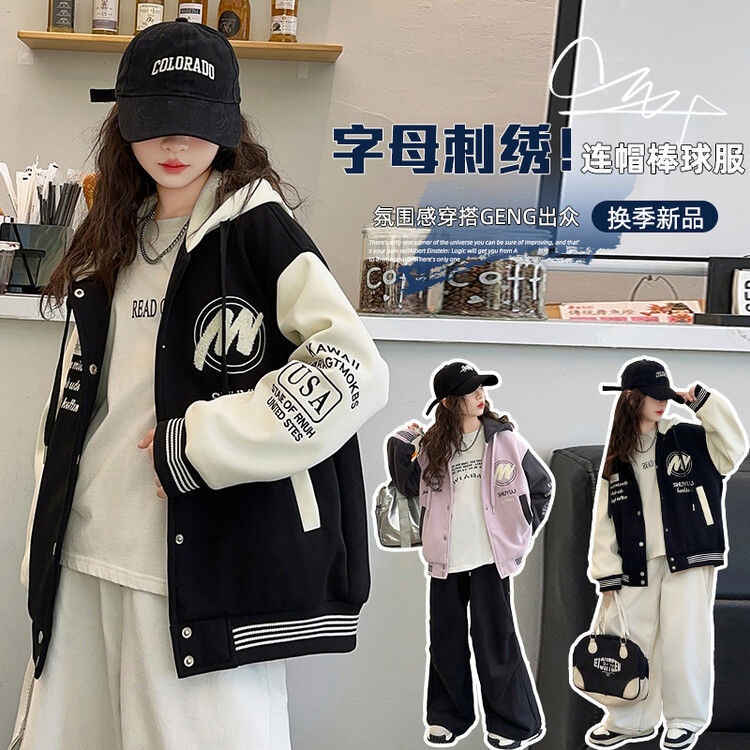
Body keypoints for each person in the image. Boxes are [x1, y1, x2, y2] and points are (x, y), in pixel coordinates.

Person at [9, 19, 389, 750]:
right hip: (84, 548)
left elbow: (355, 368)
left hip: (197, 571)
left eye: (195, 122)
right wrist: (43, 540)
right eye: (156, 121)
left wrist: (202, 443)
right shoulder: (112, 233)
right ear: (124, 123)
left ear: (229, 124)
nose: (175, 144)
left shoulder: (258, 229)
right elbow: (75, 405)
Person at [387, 360, 554, 749]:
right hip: (445, 559)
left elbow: (541, 485)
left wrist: (519, 533)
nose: (481, 396)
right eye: (470, 391)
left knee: (494, 643)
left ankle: (511, 725)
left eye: (482, 389)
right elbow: (407, 484)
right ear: (449, 402)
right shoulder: (433, 448)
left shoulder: (503, 440)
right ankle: (448, 718)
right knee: (445, 643)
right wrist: (401, 440)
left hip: (489, 559)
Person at [585, 358, 747, 750]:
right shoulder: (618, 452)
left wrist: (703, 402)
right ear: (631, 398)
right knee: (630, 640)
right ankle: (630, 720)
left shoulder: (687, 437)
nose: (662, 403)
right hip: (635, 562)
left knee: (684, 640)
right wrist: (606, 571)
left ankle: (684, 719)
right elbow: (605, 514)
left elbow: (734, 450)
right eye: (653, 396)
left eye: (665, 396)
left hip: (688, 554)